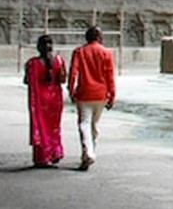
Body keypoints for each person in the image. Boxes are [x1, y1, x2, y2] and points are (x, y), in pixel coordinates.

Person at [68, 26, 116, 171]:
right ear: (99, 38)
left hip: (84, 93)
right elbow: (110, 76)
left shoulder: (79, 52)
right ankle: (88, 153)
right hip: (101, 94)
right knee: (93, 124)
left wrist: (71, 90)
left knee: (84, 124)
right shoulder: (106, 53)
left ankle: (88, 152)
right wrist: (112, 95)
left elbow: (73, 73)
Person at [23, 34, 67, 167]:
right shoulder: (59, 60)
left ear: (38, 47)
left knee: (41, 127)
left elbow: (26, 81)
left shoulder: (32, 63)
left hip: (39, 100)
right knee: (54, 127)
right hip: (55, 99)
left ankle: (43, 156)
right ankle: (55, 153)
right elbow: (62, 79)